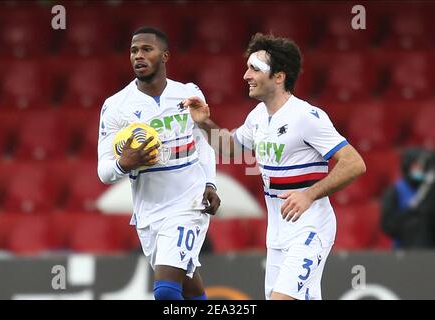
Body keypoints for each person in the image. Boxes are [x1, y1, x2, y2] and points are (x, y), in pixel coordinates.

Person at [181, 33, 366, 300]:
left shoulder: (306, 117)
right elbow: (230, 149)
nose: (246, 75)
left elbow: (354, 163)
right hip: (278, 234)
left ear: (279, 76)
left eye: (254, 69)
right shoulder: (257, 117)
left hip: (310, 229)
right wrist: (203, 122)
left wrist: (310, 193)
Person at [97, 27, 220, 300]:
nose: (138, 56)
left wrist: (210, 182)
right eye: (133, 51)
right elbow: (104, 171)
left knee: (165, 291)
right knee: (189, 288)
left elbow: (203, 143)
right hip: (149, 213)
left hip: (189, 204)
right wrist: (124, 163)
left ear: (165, 56)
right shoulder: (116, 106)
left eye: (146, 50)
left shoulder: (188, 93)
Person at [381, 148, 435, 249]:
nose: (420, 169)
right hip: (403, 253)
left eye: (423, 166)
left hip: (430, 254)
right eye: (416, 166)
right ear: (407, 166)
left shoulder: (430, 192)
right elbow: (388, 226)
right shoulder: (396, 191)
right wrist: (411, 213)